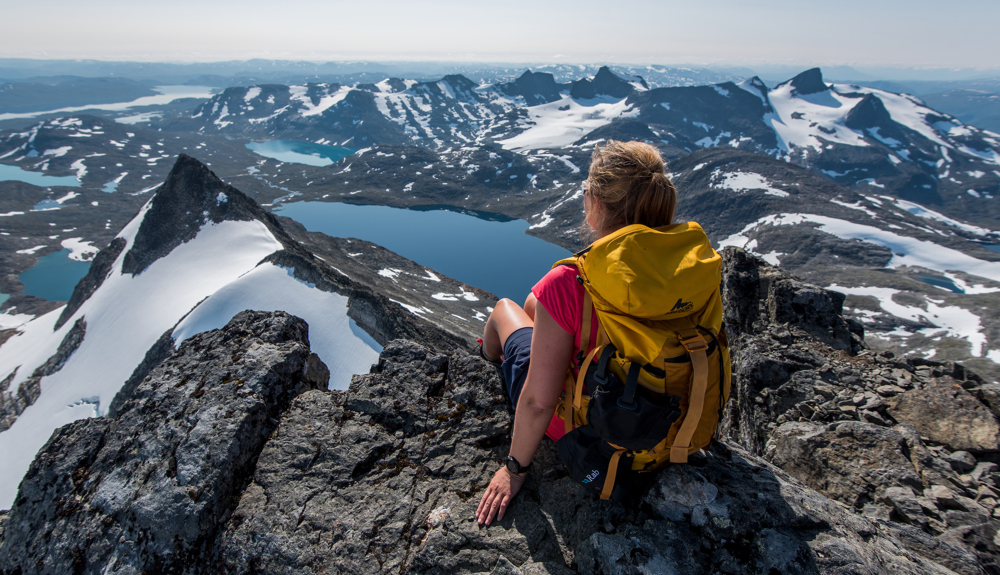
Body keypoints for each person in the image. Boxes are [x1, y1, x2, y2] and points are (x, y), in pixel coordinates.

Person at [475, 140, 678, 525]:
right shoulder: (688, 270)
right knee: (537, 305)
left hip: (592, 429)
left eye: (586, 191)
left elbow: (538, 402)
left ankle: (488, 357)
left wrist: (514, 469)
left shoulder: (573, 280)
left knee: (505, 309)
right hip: (668, 426)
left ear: (597, 204)